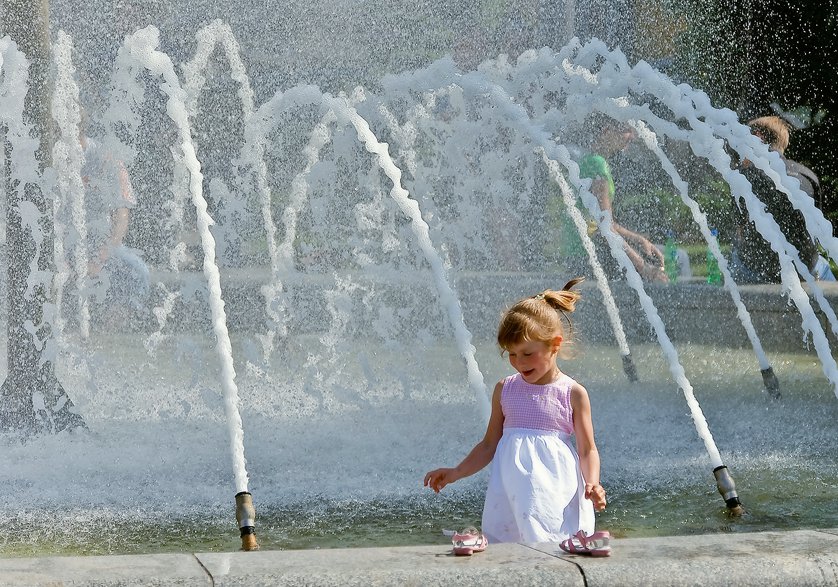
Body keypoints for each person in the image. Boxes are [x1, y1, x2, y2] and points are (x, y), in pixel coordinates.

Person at [423, 278, 607, 544]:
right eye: (511, 354)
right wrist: (456, 472)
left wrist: (592, 482)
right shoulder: (505, 389)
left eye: (527, 354)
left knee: (553, 542)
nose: (518, 363)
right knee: (510, 547)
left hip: (554, 488)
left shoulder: (572, 393)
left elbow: (588, 449)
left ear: (554, 345)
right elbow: (489, 445)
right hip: (510, 491)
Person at [549, 115, 668, 282]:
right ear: (606, 131)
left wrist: (639, 240)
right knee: (655, 285)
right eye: (626, 130)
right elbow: (605, 227)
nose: (632, 136)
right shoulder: (597, 165)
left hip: (578, 255)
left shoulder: (588, 161)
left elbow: (604, 222)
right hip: (591, 256)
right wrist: (643, 268)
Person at [731, 115, 834, 282]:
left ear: (757, 136)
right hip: (807, 270)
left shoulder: (744, 177)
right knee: (819, 262)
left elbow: (739, 228)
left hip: (760, 273)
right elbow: (817, 230)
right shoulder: (808, 176)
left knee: (735, 252)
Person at [76, 123, 150, 325]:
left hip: (99, 241)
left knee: (137, 269)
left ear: (80, 130)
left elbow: (121, 215)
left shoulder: (106, 159)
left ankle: (124, 315)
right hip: (62, 242)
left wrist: (101, 256)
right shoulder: (49, 156)